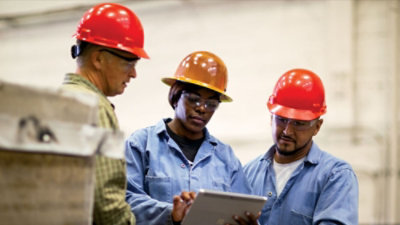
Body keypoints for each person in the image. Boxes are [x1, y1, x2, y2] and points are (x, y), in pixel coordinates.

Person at [124, 51, 252, 225]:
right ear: (175, 97)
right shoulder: (141, 144)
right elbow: (126, 200)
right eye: (194, 99)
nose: (202, 109)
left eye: (211, 104)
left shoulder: (226, 158)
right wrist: (171, 213)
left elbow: (244, 207)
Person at [61, 3, 149, 225]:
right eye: (129, 61)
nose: (134, 73)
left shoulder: (59, 99)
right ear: (98, 58)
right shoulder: (94, 108)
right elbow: (105, 201)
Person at [242, 68, 359, 225]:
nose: (287, 131)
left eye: (299, 123)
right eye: (281, 119)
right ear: (271, 118)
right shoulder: (248, 174)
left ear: (317, 126)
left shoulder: (335, 176)